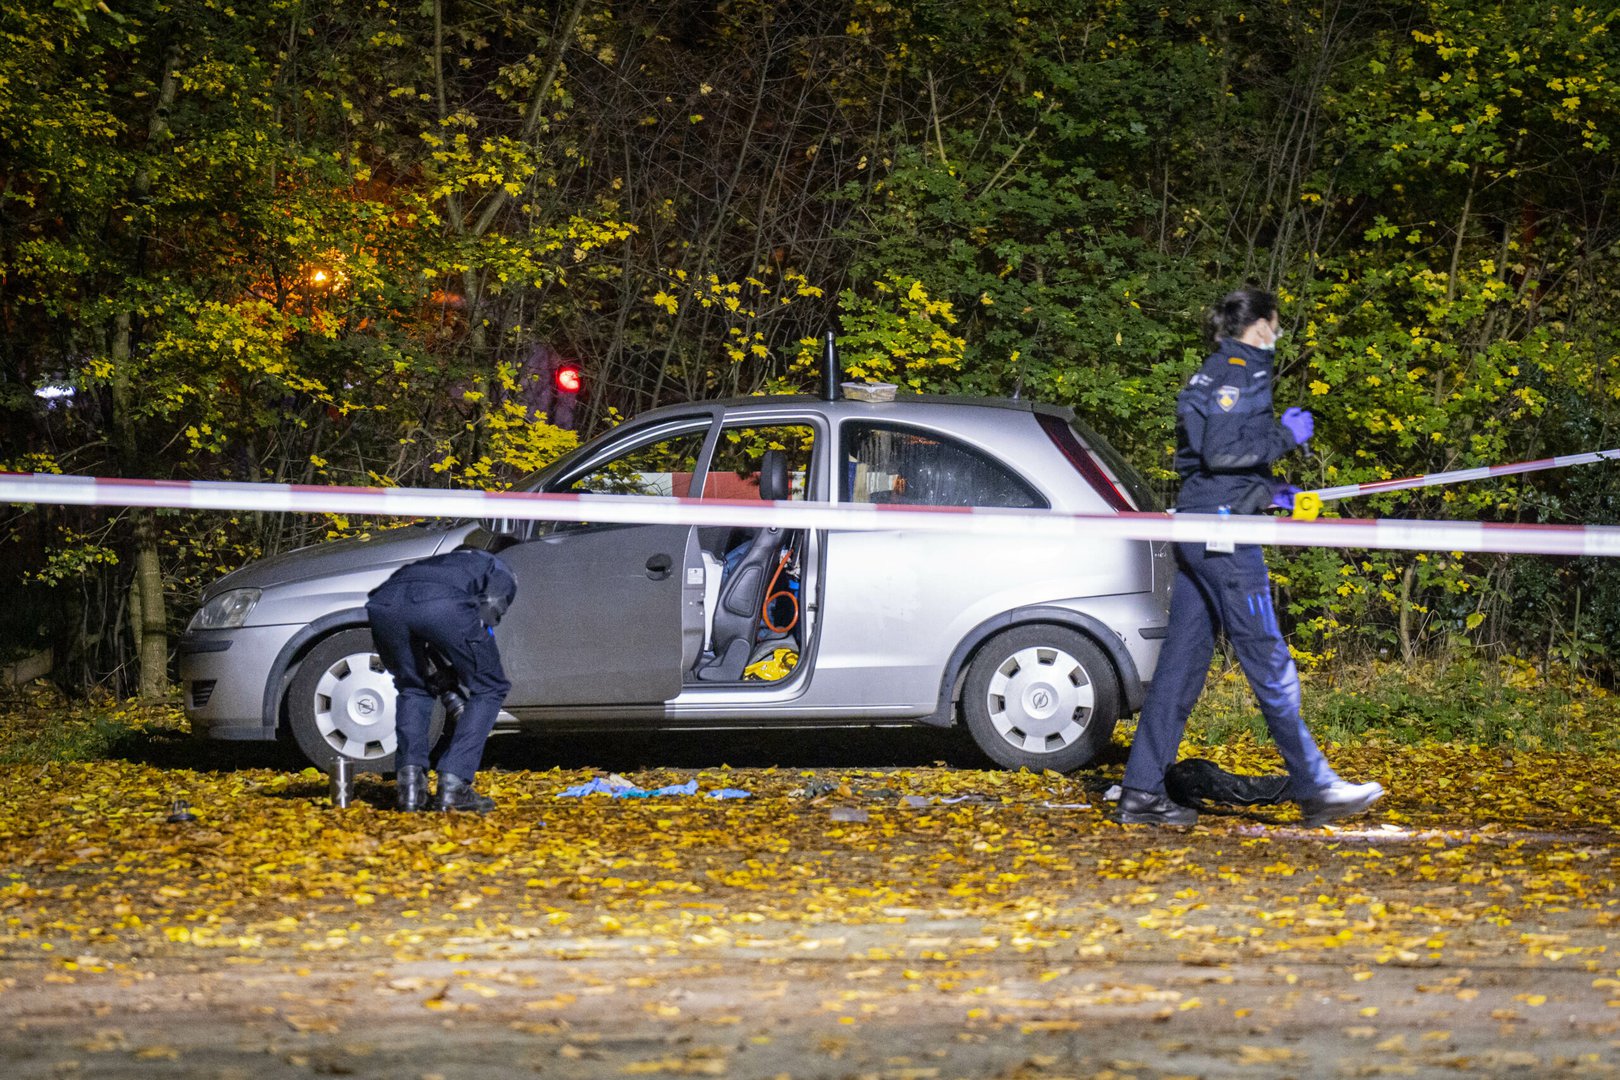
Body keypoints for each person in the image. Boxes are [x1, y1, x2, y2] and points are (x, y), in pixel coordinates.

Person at [1114, 287, 1385, 828]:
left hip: (1200, 525)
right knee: (1268, 659)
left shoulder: (1212, 372)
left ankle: (1141, 792)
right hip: (1224, 537)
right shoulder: (1241, 372)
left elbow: (1210, 461)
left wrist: (1271, 492)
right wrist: (1286, 434)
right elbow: (1222, 452)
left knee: (1180, 668)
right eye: (1275, 326)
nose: (1277, 336)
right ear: (1260, 325)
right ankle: (1316, 786)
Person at [365, 541, 518, 813]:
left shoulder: (434, 563)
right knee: (489, 687)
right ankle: (454, 783)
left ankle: (410, 788)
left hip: (383, 605)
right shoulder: (496, 566)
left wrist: (445, 671)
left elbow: (415, 614)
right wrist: (463, 670)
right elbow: (485, 619)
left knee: (413, 688)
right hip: (441, 605)